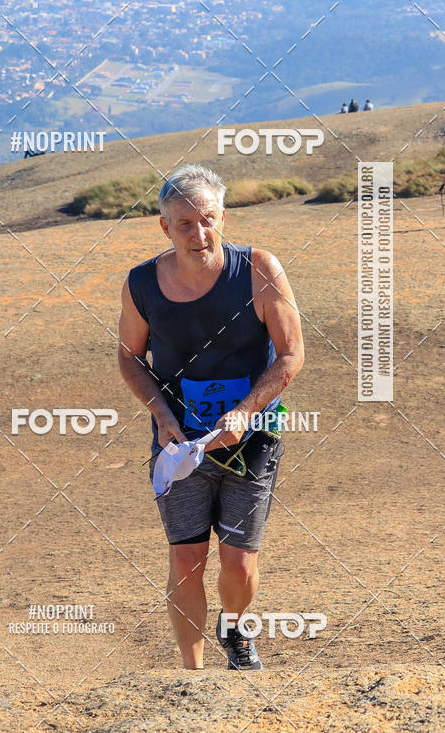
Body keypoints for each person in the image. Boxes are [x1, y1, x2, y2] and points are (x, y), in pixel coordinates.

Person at [118, 164, 304, 671]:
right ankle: (193, 673)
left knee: (239, 561)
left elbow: (290, 355)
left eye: (207, 220)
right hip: (180, 445)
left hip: (253, 439)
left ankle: (235, 631)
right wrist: (159, 412)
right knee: (185, 559)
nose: (199, 234)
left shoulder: (260, 270)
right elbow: (129, 357)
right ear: (164, 227)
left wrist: (245, 414)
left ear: (222, 217)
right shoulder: (141, 284)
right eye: (184, 223)